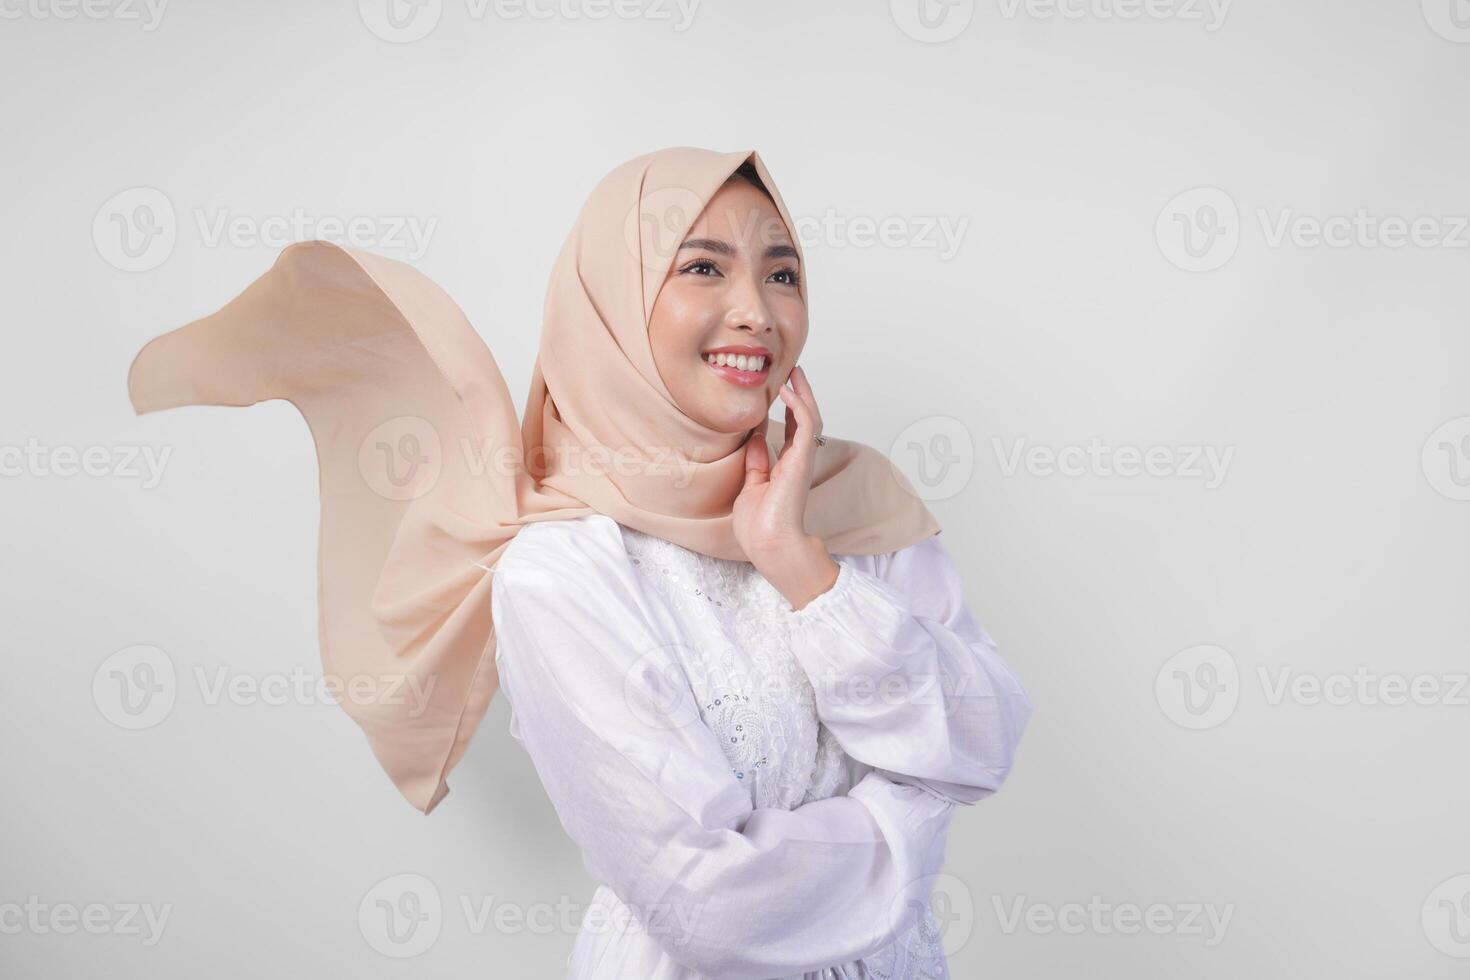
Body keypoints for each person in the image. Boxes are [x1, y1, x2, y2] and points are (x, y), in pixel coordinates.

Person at [127, 146, 1034, 978]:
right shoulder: (561, 569)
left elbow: (985, 741)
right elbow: (702, 899)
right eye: (703, 266)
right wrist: (910, 835)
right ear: (607, 301)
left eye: (782, 271)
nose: (757, 309)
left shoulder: (848, 501)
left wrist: (802, 568)